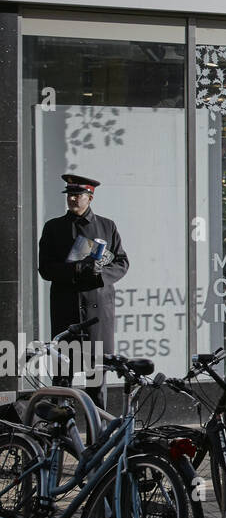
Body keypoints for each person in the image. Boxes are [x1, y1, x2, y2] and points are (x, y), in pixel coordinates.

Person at [37, 173, 130, 408]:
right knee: (62, 381)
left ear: (90, 197)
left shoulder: (107, 226)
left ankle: (97, 438)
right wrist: (76, 269)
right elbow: (45, 269)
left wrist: (99, 275)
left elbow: (122, 263)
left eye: (78, 195)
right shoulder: (53, 228)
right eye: (69, 195)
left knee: (96, 383)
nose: (72, 200)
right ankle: (60, 439)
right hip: (66, 313)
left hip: (97, 316)